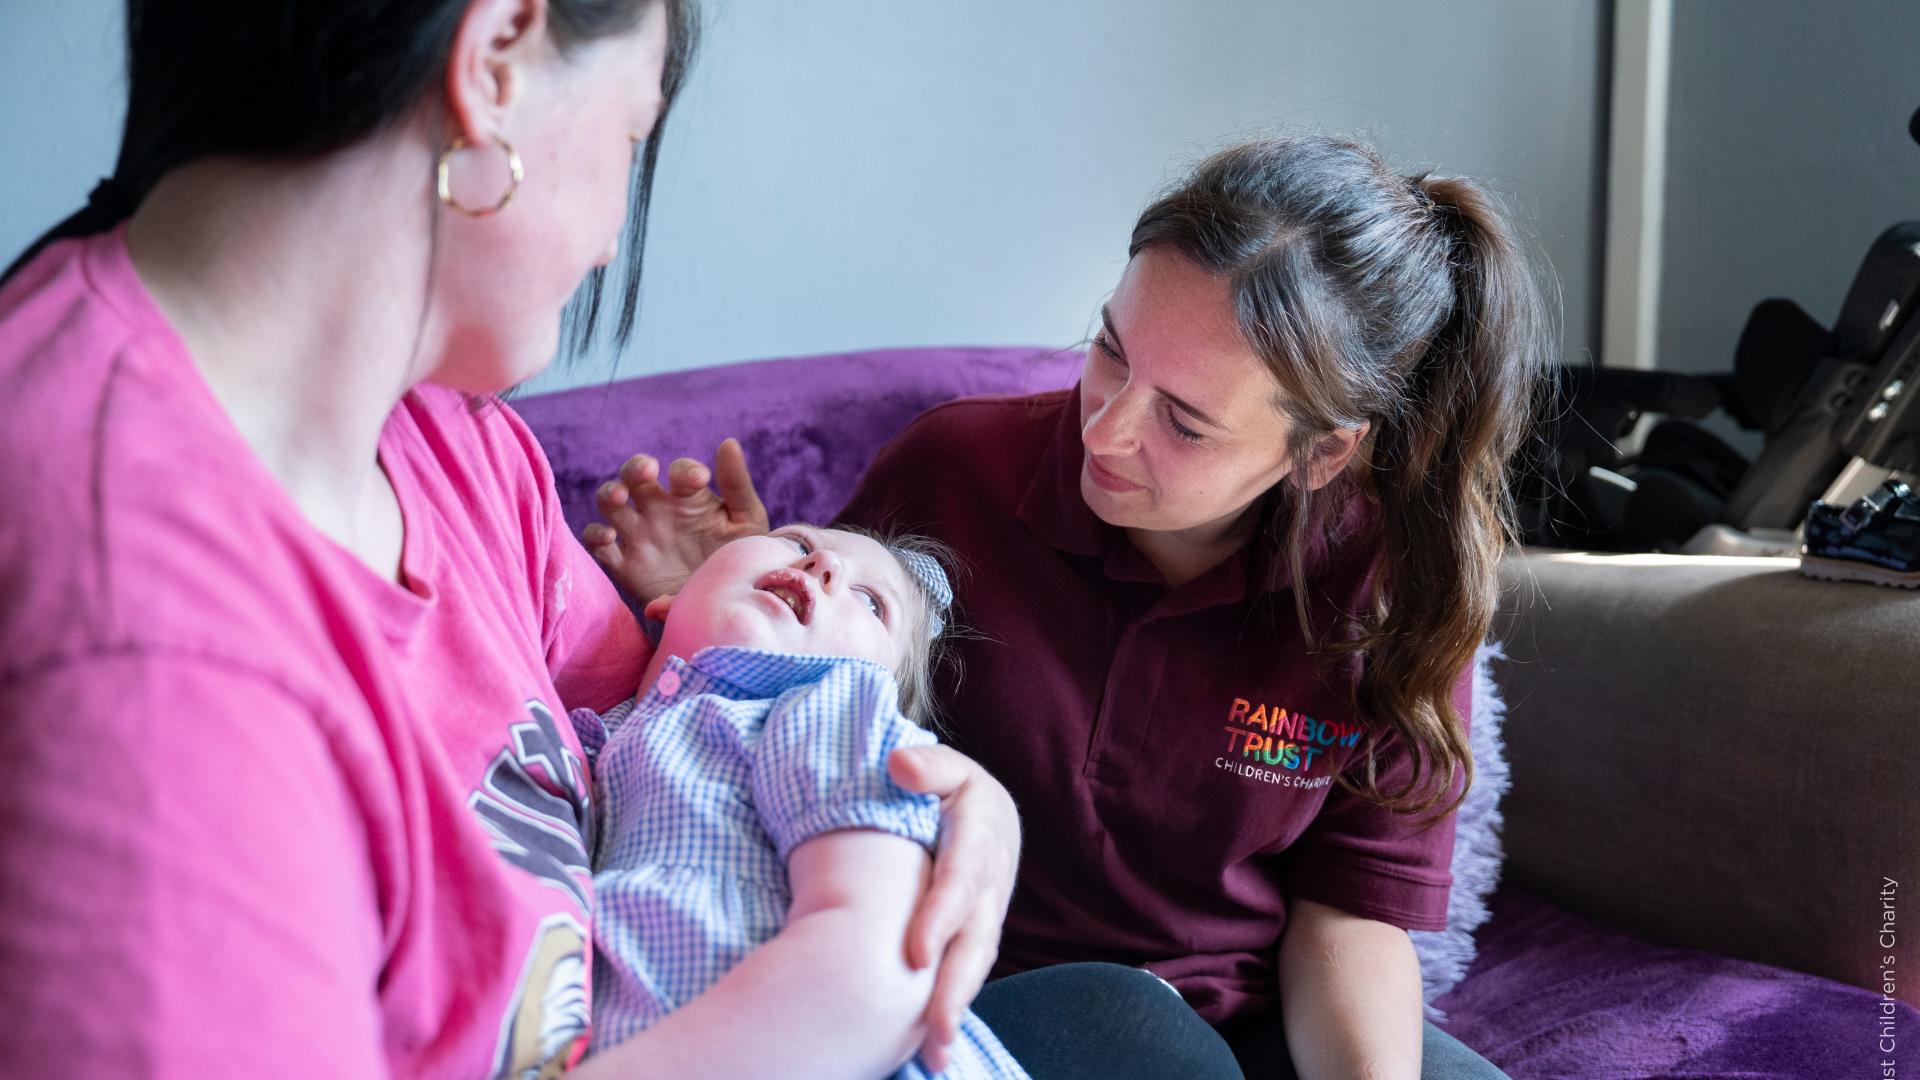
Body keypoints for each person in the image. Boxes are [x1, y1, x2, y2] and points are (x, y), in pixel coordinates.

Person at [0, 3, 1027, 1077]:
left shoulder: (453, 437)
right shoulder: (140, 646)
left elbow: (692, 711)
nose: (612, 239)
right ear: (494, 58)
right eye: (633, 137)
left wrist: (944, 791)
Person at [586, 134, 1551, 1080]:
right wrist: (730, 583)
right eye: (1109, 349)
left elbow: (1347, 916)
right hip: (997, 1008)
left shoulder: (1389, 594)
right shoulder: (953, 471)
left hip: (1247, 1014)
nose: (1108, 426)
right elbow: (794, 715)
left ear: (1321, 454)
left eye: (1184, 420)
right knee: (1124, 1024)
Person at [576, 523, 1028, 1078]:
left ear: (884, 693)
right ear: (668, 599)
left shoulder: (828, 711)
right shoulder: (588, 736)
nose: (825, 565)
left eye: (871, 604)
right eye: (798, 543)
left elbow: (876, 973)